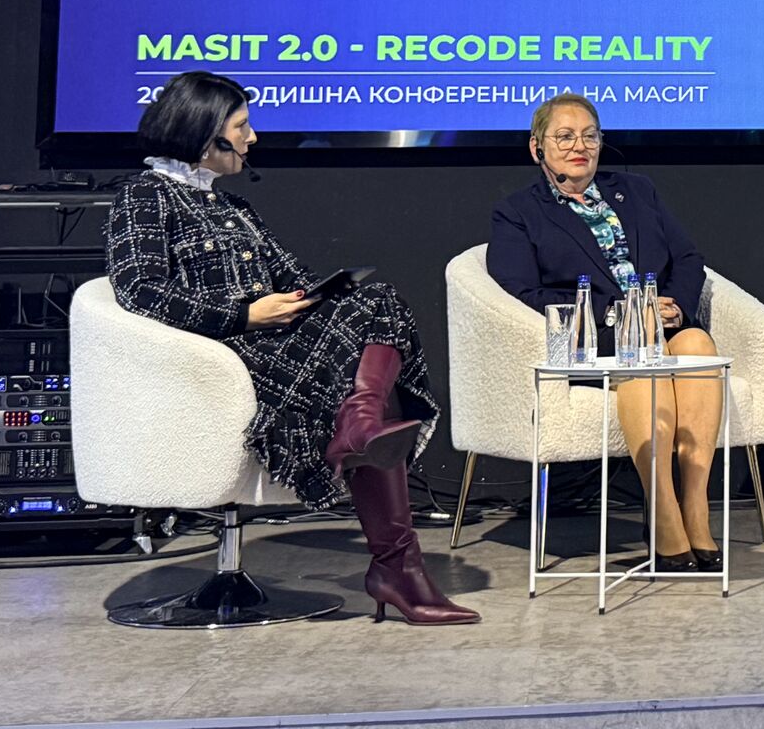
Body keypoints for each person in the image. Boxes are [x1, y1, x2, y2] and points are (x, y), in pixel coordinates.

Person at [105, 72, 477, 624]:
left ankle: (360, 431)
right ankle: (396, 563)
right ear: (206, 132)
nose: (252, 137)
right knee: (365, 375)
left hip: (280, 346)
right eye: (241, 126)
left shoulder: (236, 209)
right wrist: (245, 314)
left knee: (377, 303)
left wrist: (315, 296)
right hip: (222, 360)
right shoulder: (145, 195)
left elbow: (295, 280)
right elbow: (139, 290)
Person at [487, 94, 726, 569]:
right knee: (641, 366)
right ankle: (663, 512)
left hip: (663, 326)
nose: (579, 146)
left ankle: (696, 506)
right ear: (536, 147)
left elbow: (688, 258)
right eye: (564, 137)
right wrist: (622, 312)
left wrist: (673, 308)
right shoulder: (518, 212)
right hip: (598, 340)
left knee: (698, 343)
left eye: (589, 136)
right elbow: (522, 291)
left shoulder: (636, 190)